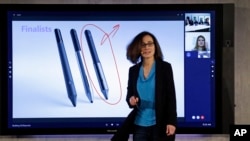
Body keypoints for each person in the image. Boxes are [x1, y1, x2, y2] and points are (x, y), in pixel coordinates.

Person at [111, 31, 177, 141]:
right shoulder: (133, 71)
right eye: (143, 44)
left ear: (155, 46)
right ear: (138, 48)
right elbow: (130, 96)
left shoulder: (165, 68)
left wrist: (172, 122)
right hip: (139, 124)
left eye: (150, 43)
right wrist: (131, 100)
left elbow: (171, 97)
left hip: (160, 124)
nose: (147, 47)